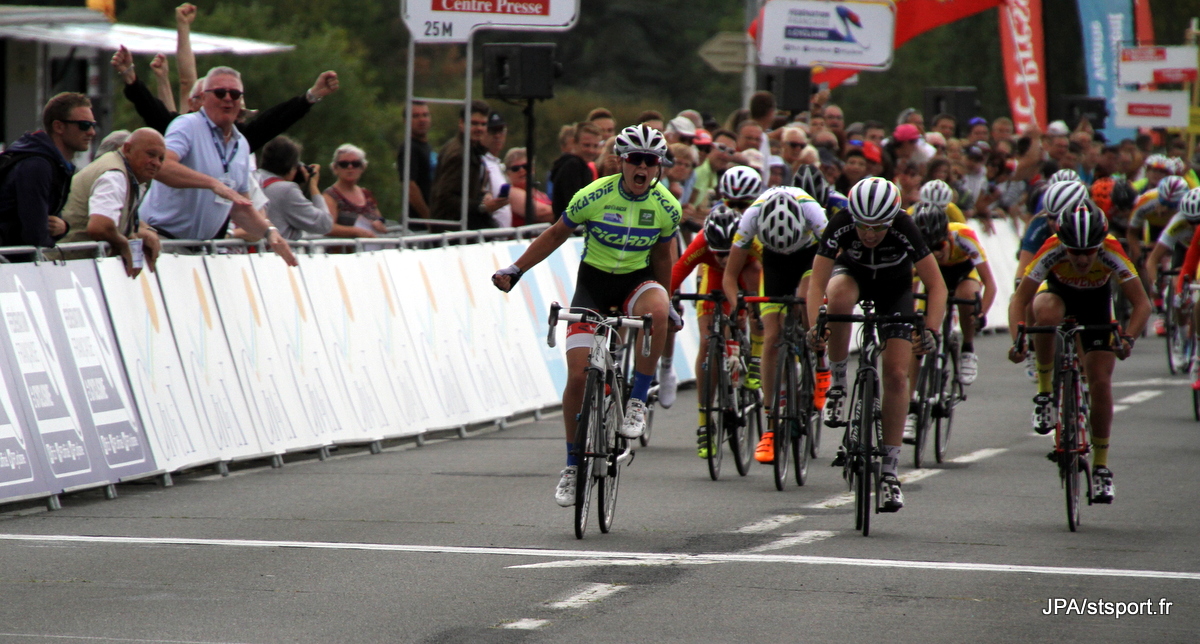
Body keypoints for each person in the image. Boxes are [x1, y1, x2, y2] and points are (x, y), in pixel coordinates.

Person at [492, 125, 680, 507]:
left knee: (659, 309)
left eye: (650, 161)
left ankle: (637, 402)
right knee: (578, 377)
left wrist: (669, 300)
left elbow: (662, 257)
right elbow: (555, 234)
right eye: (635, 159)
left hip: (636, 284)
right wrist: (516, 269)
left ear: (659, 166)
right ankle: (572, 464)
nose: (642, 167)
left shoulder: (667, 207)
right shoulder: (594, 195)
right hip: (593, 287)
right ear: (621, 161)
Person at [807, 177, 947, 512]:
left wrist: (931, 329)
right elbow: (816, 283)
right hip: (852, 276)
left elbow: (937, 286)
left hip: (894, 289)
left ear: (892, 219)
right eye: (863, 226)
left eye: (879, 227)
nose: (869, 234)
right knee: (838, 297)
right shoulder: (841, 222)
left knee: (897, 375)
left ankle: (889, 472)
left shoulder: (905, 226)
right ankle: (838, 382)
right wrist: (815, 327)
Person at [1008, 201, 1150, 503]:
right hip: (1059, 296)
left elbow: (1142, 304)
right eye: (1075, 252)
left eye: (1090, 251)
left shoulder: (1111, 250)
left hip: (1097, 305)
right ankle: (1045, 394)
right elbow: (1019, 300)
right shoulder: (1052, 248)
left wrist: (1128, 338)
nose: (1083, 259)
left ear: (1100, 245)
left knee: (1100, 382)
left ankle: (1101, 468)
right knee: (1045, 314)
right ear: (1064, 244)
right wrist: (1018, 340)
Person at [137, 67, 296, 266]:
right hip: (161, 242)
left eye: (235, 94)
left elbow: (241, 208)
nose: (228, 98)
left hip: (200, 251)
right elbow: (161, 166)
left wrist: (269, 232)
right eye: (220, 93)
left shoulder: (241, 145)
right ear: (203, 97)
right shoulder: (187, 125)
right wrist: (212, 183)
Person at [722, 184, 828, 464]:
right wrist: (737, 306)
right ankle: (771, 426)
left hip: (809, 257)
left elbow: (836, 259)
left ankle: (821, 365)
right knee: (772, 338)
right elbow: (729, 277)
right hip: (775, 265)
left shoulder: (814, 212)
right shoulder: (750, 217)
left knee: (806, 304)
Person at [672, 205, 763, 457]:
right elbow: (677, 272)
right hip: (714, 279)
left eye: (728, 252)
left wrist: (761, 306)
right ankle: (704, 422)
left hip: (747, 271)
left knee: (757, 304)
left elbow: (772, 271)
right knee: (707, 341)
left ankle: (755, 357)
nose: (723, 259)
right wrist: (664, 300)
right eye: (718, 253)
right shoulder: (701, 242)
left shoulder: (751, 239)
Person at [911, 202, 996, 386]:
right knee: (919, 331)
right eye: (929, 249)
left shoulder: (963, 235)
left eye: (940, 245)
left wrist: (981, 313)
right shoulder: (914, 246)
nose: (936, 253)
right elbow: (911, 285)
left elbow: (990, 284)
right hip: (934, 276)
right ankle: (912, 394)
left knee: (967, 294)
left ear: (948, 235)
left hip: (963, 273)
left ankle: (967, 349)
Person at [58, 128, 165, 275]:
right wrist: (124, 245)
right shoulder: (115, 175)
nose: (156, 163)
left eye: (161, 159)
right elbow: (100, 227)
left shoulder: (128, 176)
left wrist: (136, 235)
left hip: (72, 265)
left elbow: (114, 224)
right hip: (64, 266)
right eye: (151, 154)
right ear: (127, 149)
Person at [0, 92, 93, 258]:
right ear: (58, 127)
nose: (91, 132)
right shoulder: (37, 165)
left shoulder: (53, 163)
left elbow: (48, 224)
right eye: (84, 125)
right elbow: (35, 235)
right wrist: (54, 235)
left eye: (93, 125)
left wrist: (63, 227)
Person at [430, 100, 496, 229]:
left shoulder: (471, 150)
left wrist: (483, 197)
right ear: (461, 123)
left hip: (458, 227)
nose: (480, 128)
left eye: (483, 124)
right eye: (474, 123)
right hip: (451, 229)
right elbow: (445, 198)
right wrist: (481, 206)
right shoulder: (459, 154)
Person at [256, 136, 333, 241]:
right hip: (277, 250)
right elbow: (324, 224)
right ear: (291, 166)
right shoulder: (287, 190)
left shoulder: (252, 179)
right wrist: (313, 186)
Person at [323, 144, 388, 238]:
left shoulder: (366, 194)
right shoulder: (330, 195)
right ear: (335, 168)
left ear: (362, 168)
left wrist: (379, 222)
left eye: (355, 164)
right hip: (342, 247)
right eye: (344, 164)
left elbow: (380, 218)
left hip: (370, 246)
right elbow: (327, 227)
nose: (350, 167)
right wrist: (355, 231)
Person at [549, 121, 603, 219]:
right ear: (574, 143)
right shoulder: (573, 166)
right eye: (586, 145)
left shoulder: (581, 166)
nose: (591, 150)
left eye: (595, 146)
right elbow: (575, 205)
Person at [396, 100, 436, 221]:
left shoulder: (426, 146)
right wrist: (429, 219)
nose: (422, 120)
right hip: (416, 224)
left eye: (425, 115)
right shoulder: (409, 148)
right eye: (416, 116)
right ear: (406, 121)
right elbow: (410, 187)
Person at [502, 147, 552, 226]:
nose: (521, 170)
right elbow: (542, 212)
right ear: (508, 173)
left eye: (526, 166)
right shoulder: (511, 193)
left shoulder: (540, 194)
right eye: (515, 168)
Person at [481, 112, 510, 227]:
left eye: (501, 131)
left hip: (502, 233)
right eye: (492, 131)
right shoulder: (481, 162)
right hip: (489, 232)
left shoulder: (497, 164)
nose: (497, 136)